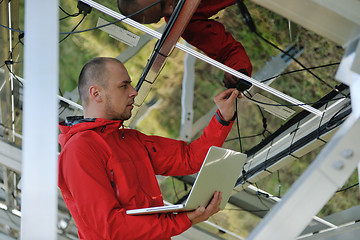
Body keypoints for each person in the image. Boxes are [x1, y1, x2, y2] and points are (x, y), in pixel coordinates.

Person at [58, 57, 240, 239]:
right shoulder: (79, 150)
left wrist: (222, 118)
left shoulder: (128, 139)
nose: (134, 92)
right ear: (96, 93)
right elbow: (111, 228)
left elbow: (189, 158)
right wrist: (182, 221)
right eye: (124, 86)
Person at [117, 0, 252, 90]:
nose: (170, 12)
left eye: (164, 4)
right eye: (161, 17)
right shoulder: (181, 19)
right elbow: (226, 50)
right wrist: (238, 72)